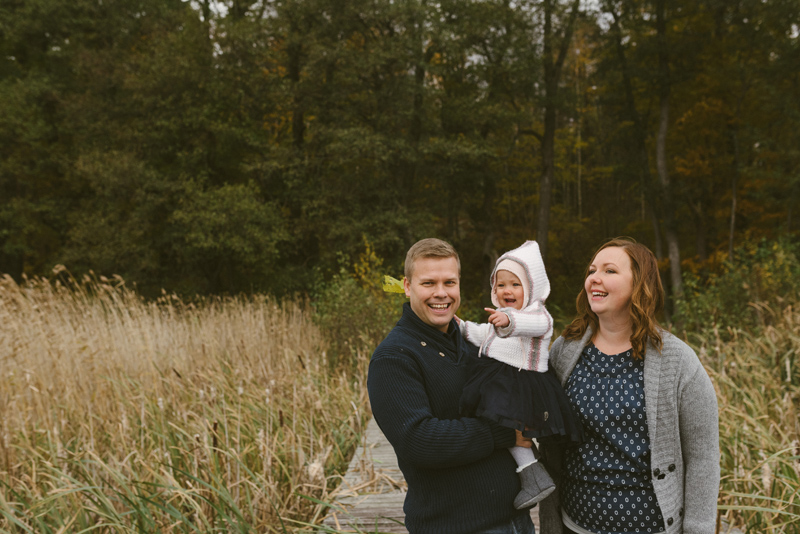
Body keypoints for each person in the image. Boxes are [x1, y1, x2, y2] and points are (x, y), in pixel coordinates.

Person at [538, 238, 720, 534]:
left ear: (639, 285)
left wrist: (698, 529)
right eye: (592, 270)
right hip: (574, 524)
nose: (594, 278)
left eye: (610, 271)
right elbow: (549, 441)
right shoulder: (565, 350)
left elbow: (703, 457)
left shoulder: (678, 361)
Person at [368, 238, 537, 534]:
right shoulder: (394, 356)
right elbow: (418, 440)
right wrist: (503, 431)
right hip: (457, 526)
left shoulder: (472, 341)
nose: (441, 293)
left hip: (516, 521)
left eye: (449, 282)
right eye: (428, 283)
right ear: (407, 286)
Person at [458, 240, 583, 510]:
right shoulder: (501, 316)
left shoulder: (537, 314)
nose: (507, 291)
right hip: (505, 378)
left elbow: (534, 325)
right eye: (500, 285)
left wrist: (510, 321)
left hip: (523, 382)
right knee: (506, 428)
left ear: (530, 288)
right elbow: (485, 335)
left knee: (508, 426)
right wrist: (461, 326)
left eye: (515, 284)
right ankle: (532, 473)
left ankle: (532, 475)